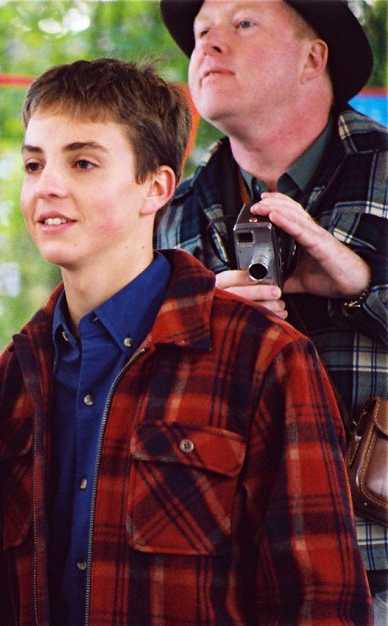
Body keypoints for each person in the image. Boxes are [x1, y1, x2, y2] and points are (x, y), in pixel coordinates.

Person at [0, 57, 372, 625]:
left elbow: (322, 604)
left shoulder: (264, 357)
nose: (48, 187)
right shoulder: (14, 374)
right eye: (33, 164)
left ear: (156, 187)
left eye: (82, 162)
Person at [155, 0, 388, 619]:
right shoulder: (167, 214)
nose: (208, 45)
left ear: (313, 58)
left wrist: (362, 288)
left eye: (243, 24)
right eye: (201, 32)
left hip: (379, 569)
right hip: (221, 575)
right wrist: (200, 331)